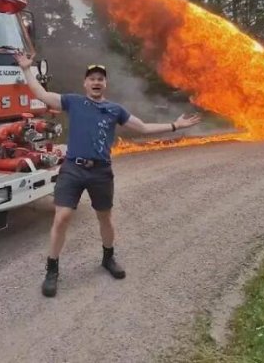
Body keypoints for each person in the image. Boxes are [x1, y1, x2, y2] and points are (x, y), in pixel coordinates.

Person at [14, 52, 201, 297]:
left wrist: (175, 125)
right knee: (62, 217)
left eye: (100, 79)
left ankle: (108, 258)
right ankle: (52, 269)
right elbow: (41, 94)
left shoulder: (115, 110)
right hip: (73, 168)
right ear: (85, 83)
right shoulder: (73, 102)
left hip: (101, 171)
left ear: (105, 84)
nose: (96, 82)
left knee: (105, 218)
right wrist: (26, 69)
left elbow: (143, 127)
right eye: (92, 78)